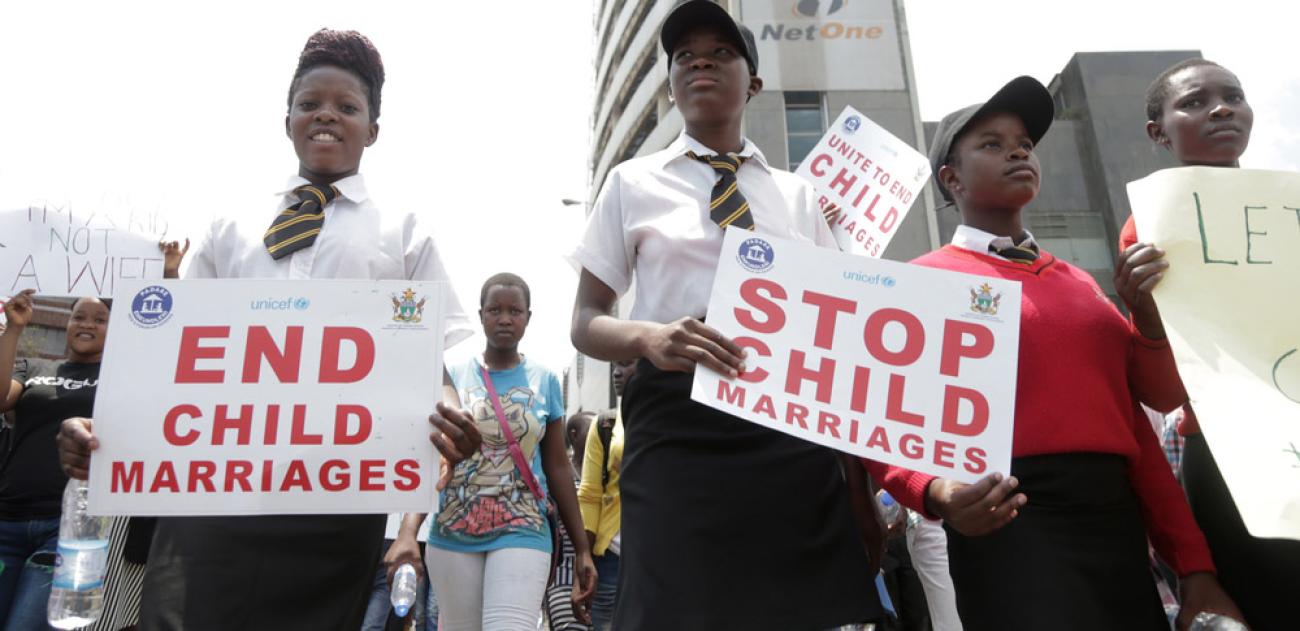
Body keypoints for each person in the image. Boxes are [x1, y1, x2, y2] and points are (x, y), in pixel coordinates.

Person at [55, 29, 480, 630]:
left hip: (336, 497)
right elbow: (170, 357)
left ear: (373, 130)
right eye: (310, 104)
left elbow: (428, 366)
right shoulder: (231, 226)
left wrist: (449, 415)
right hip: (212, 491)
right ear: (287, 120)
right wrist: (106, 428)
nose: (326, 115)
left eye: (348, 107)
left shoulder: (404, 235)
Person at [865, 76, 1244, 631]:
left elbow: (1139, 429)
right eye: (991, 144)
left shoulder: (1083, 286)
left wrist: (1193, 566)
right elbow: (878, 420)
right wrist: (934, 492)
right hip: (1004, 524)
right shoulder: (917, 283)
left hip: (1116, 530)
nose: (1018, 150)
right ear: (951, 178)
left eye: (1024, 143)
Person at [568, 2, 885, 628]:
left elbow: (840, 332)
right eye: (685, 56)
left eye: (721, 52)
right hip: (676, 421)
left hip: (787, 419)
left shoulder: (799, 196)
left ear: (754, 83)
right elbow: (585, 320)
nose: (700, 62)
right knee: (672, 601)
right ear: (671, 83)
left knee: (794, 606)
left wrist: (859, 487)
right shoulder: (631, 184)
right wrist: (649, 337)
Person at [1117, 58, 1300, 630]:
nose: (1222, 108)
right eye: (1194, 102)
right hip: (1234, 463)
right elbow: (1163, 391)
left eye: (1234, 96)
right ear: (1158, 131)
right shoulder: (1147, 233)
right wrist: (1144, 315)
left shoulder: (1290, 208)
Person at [415, 273, 595, 631]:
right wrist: (409, 531)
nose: (505, 319)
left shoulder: (543, 380)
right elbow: (431, 457)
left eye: (515, 311)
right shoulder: (451, 377)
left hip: (523, 526)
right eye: (495, 310)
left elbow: (558, 467)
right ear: (481, 315)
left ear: (528, 317)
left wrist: (582, 549)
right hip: (452, 529)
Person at [0, 291, 108, 630]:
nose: (87, 323)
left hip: (66, 528)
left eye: (99, 319)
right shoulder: (35, 367)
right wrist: (14, 329)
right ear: (67, 324)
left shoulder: (118, 378)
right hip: (6, 519)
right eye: (79, 316)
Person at [577, 361, 634, 631]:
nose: (617, 372)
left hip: (663, 557)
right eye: (616, 364)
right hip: (612, 558)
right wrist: (584, 557)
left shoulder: (676, 420)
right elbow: (589, 495)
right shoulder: (606, 423)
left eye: (629, 363)